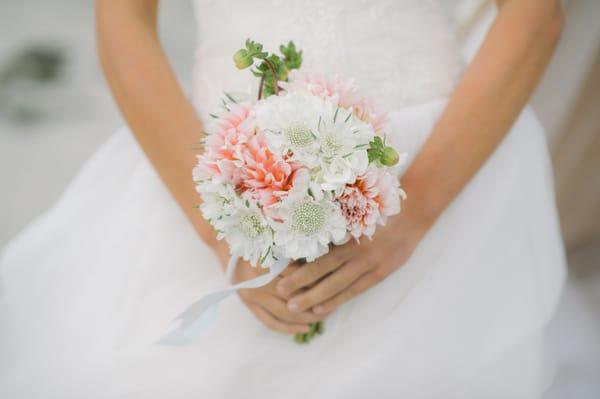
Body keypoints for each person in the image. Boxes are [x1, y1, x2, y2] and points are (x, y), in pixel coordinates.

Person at [0, 0, 566, 397]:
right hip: (210, 169)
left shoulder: (419, 200)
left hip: (434, 163)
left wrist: (413, 211)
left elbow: (534, 12)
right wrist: (221, 226)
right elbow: (122, 20)